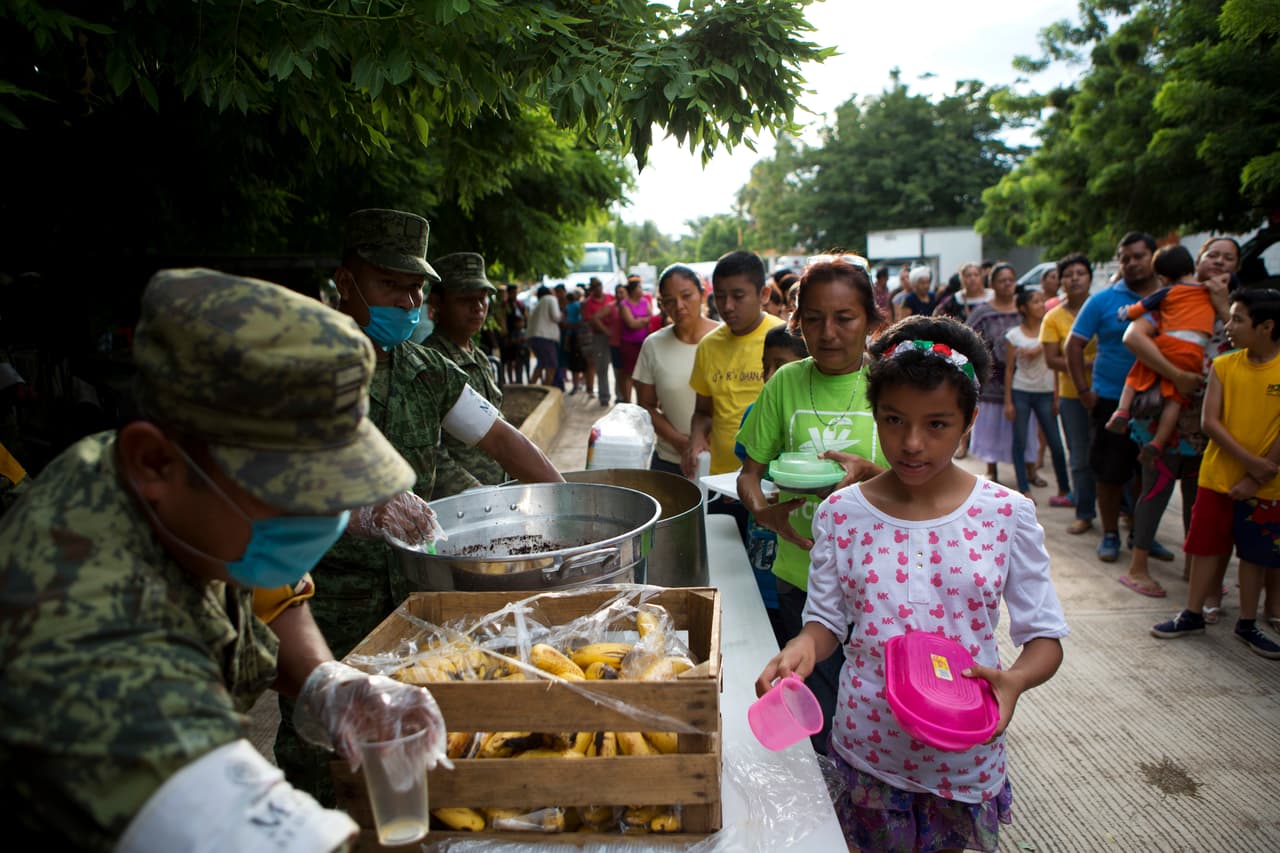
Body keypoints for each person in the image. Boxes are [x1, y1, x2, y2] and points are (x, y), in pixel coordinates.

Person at [0, 269, 451, 850]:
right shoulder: (80, 630)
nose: (323, 515)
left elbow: (268, 589)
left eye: (335, 485)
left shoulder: (179, 503)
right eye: (292, 489)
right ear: (154, 461)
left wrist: (324, 682)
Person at [276, 209, 563, 803]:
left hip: (413, 596)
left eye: (415, 288)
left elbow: (504, 441)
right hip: (326, 604)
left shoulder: (428, 372)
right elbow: (259, 489)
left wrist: (569, 513)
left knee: (413, 742)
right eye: (389, 285)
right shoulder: (296, 372)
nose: (407, 301)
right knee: (321, 751)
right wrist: (355, 513)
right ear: (345, 283)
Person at [756, 315, 1068, 853]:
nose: (912, 443)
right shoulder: (841, 513)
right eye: (894, 420)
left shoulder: (1005, 514)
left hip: (964, 752)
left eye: (937, 424)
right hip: (868, 750)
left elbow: (1044, 637)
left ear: (969, 421)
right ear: (874, 415)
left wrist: (1013, 681)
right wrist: (801, 646)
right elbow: (826, 621)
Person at [737, 258, 887, 754]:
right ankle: (829, 811)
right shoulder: (786, 383)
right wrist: (763, 513)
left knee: (873, 711)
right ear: (797, 321)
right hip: (801, 573)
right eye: (814, 318)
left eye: (844, 318)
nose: (828, 332)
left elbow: (926, 485)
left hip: (879, 582)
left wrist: (871, 474)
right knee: (815, 712)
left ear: (871, 320)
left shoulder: (890, 382)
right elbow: (749, 475)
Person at [1121, 238, 1254, 608]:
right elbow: (1133, 335)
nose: (1219, 262)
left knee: (1200, 495)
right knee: (1156, 487)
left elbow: (1249, 350)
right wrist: (1176, 374)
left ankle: (1194, 570)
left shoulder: (1244, 307)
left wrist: (1222, 303)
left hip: (1215, 417)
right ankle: (1137, 566)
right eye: (1213, 255)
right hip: (1167, 406)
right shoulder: (1174, 297)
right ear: (1198, 259)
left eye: (1229, 257)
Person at [1151, 289, 1280, 658]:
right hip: (1218, 478)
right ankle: (1192, 613)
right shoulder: (1224, 365)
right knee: (1206, 547)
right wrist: (1252, 464)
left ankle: (1248, 622)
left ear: (1267, 326)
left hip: (1269, 486)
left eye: (1238, 319)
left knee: (1256, 555)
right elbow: (1210, 422)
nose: (1229, 326)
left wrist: (1258, 476)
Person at [1067, 232, 1164, 563]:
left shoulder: (1173, 296)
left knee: (1148, 473)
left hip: (1162, 402)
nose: (1132, 263)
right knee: (1109, 472)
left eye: (1139, 256)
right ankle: (1110, 533)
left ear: (1154, 255)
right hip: (1111, 400)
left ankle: (1142, 534)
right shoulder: (1103, 300)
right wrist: (1083, 391)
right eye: (1125, 258)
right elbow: (1074, 345)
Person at [684, 252, 785, 540]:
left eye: (738, 296)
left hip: (771, 486)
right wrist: (696, 437)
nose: (727, 307)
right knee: (728, 568)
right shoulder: (708, 346)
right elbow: (703, 410)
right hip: (722, 485)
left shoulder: (784, 339)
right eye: (721, 296)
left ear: (764, 294)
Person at [1105, 245, 1215, 461]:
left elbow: (1140, 308)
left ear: (1163, 277)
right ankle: (1158, 442)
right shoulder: (1207, 293)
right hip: (1194, 352)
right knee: (1175, 399)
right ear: (1193, 265)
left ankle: (1122, 411)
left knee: (1135, 376)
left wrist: (1126, 312)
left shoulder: (1167, 292)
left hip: (1169, 343)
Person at [424, 252, 509, 491]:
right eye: (465, 299)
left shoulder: (479, 357)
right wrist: (479, 495)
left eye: (482, 299)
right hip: (460, 505)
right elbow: (431, 453)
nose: (478, 308)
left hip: (493, 496)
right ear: (437, 302)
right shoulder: (430, 361)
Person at [633, 264, 719, 475]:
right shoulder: (653, 345)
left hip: (723, 463)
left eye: (686, 296)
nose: (679, 306)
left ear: (702, 293)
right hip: (670, 460)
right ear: (661, 304)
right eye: (669, 301)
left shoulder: (726, 340)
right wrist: (679, 442)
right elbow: (646, 404)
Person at [967, 263, 1040, 487]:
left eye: (1011, 279)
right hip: (992, 380)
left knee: (1026, 428)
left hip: (1025, 380)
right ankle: (991, 470)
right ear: (993, 284)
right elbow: (968, 338)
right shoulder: (983, 312)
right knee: (992, 426)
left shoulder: (1025, 309)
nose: (1007, 284)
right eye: (1002, 280)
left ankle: (1030, 470)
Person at [1041, 254, 1099, 534]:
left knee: (1113, 454)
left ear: (1090, 277)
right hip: (1071, 395)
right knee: (1079, 455)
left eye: (1081, 273)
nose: (1075, 278)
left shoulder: (1102, 307)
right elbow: (1052, 360)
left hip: (1109, 392)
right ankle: (1085, 511)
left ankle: (1124, 512)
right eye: (1069, 274)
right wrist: (1087, 364)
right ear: (1061, 281)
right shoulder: (1053, 317)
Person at [1003, 289, 1072, 503]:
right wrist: (1008, 401)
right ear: (1023, 308)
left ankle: (1064, 489)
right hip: (1021, 390)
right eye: (1035, 301)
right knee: (1020, 441)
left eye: (1042, 300)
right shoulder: (1014, 335)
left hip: (1046, 392)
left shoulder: (1050, 329)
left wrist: (1057, 396)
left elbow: (1058, 366)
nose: (1041, 304)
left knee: (1056, 443)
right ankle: (1023, 488)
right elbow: (1009, 369)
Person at [616, 275, 653, 403]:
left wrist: (639, 321)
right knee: (629, 373)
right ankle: (627, 401)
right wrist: (643, 321)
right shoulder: (624, 304)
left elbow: (651, 319)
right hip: (628, 344)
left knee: (641, 375)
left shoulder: (645, 302)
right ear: (633, 290)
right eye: (639, 287)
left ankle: (640, 401)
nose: (642, 290)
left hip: (642, 343)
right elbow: (631, 324)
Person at [582, 277, 613, 406]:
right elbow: (591, 320)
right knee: (601, 367)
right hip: (599, 337)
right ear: (592, 289)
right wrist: (605, 329)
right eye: (595, 286)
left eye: (599, 285)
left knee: (618, 368)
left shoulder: (610, 298)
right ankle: (604, 396)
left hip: (614, 335)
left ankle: (620, 396)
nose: (598, 288)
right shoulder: (588, 303)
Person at [527, 284, 562, 387]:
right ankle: (547, 389)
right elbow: (556, 316)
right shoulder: (550, 299)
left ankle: (531, 386)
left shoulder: (538, 304)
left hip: (533, 337)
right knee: (551, 365)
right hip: (545, 338)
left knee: (542, 363)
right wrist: (562, 315)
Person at [500, 284, 529, 385]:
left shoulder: (520, 304)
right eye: (513, 292)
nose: (515, 294)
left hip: (519, 335)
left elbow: (525, 318)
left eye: (515, 292)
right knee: (508, 360)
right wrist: (505, 336)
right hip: (509, 335)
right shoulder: (505, 305)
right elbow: (502, 321)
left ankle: (518, 380)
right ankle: (510, 381)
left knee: (518, 359)